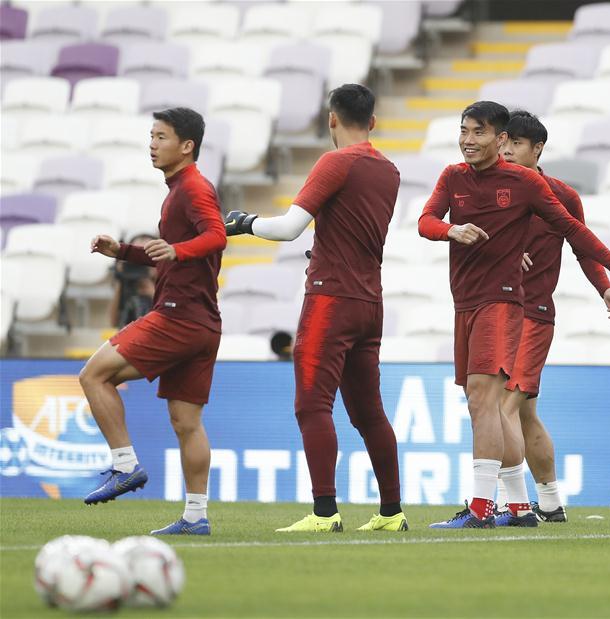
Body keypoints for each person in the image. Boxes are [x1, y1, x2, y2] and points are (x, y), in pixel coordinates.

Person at [419, 101, 610, 529]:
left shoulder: (536, 187)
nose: (469, 140)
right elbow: (425, 220)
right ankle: (529, 506)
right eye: (464, 131)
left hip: (521, 307)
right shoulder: (453, 176)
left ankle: (483, 508)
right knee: (509, 409)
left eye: (481, 132)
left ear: (517, 142)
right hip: (467, 302)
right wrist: (453, 230)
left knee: (491, 402)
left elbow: (575, 234)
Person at [224, 84, 407, 533]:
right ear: (373, 122)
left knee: (312, 405)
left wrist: (245, 223)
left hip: (331, 300)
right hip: (370, 301)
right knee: (369, 413)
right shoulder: (390, 170)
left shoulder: (335, 162)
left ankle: (325, 513)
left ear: (331, 119)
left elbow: (289, 228)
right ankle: (391, 513)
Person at [81, 107, 226, 536]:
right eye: (151, 136)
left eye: (161, 137)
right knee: (186, 423)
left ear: (187, 146)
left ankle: (125, 465)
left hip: (178, 316)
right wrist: (123, 251)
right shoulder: (181, 189)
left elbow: (216, 235)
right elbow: (173, 252)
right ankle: (196, 517)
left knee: (93, 376)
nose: (152, 144)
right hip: (203, 322)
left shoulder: (192, 188)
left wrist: (178, 250)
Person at [494, 111, 610, 525]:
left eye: (516, 144)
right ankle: (549, 504)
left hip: (533, 315)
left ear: (537, 149)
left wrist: (604, 287)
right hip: (494, 313)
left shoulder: (561, 196)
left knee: (503, 408)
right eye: (503, 142)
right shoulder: (489, 188)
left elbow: (582, 246)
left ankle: (509, 504)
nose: (506, 151)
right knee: (523, 413)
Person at [109, 233, 157, 328]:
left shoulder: (168, 285)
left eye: (147, 258)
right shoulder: (127, 283)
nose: (141, 263)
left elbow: (172, 320)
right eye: (136, 256)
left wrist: (153, 294)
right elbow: (114, 322)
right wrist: (121, 279)